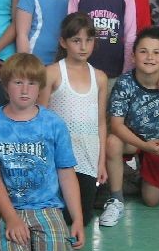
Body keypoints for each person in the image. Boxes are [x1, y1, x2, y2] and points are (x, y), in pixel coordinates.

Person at [0, 54, 85, 251]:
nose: (25, 90)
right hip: (8, 207)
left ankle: (40, 242)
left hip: (46, 206)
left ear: (40, 88)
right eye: (18, 82)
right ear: (6, 85)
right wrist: (11, 218)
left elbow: (66, 174)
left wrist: (77, 218)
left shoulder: (54, 123)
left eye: (32, 83)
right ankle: (10, 241)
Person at [101, 28, 159, 225]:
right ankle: (116, 198)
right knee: (112, 142)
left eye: (156, 53)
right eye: (143, 51)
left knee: (151, 200)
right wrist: (144, 146)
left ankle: (134, 176)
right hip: (134, 141)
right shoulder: (124, 83)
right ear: (133, 55)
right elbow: (117, 125)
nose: (149, 57)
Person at [39, 13, 108, 228]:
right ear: (63, 42)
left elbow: (101, 123)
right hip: (57, 157)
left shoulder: (100, 77)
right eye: (76, 40)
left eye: (88, 40)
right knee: (57, 214)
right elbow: (40, 118)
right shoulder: (52, 73)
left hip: (87, 157)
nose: (83, 46)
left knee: (82, 218)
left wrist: (101, 160)